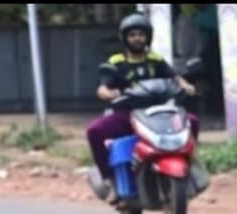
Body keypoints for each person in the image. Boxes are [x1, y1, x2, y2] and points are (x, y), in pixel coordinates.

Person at [86, 13, 202, 202]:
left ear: (148, 36)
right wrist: (107, 93)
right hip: (127, 114)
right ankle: (110, 181)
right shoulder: (116, 61)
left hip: (157, 113)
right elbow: (103, 86)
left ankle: (190, 168)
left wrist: (185, 85)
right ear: (125, 38)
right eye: (132, 35)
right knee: (95, 131)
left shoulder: (155, 59)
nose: (137, 38)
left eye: (141, 34)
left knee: (193, 122)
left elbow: (173, 77)